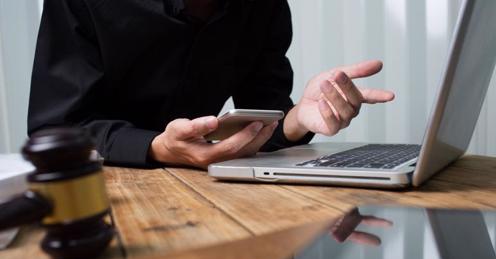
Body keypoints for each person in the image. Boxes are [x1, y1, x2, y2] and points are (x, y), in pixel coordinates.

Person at [28, 0, 394, 169]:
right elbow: (56, 127)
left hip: (210, 200)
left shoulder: (263, 7)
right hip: (103, 194)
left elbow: (263, 118)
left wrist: (297, 119)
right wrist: (155, 147)